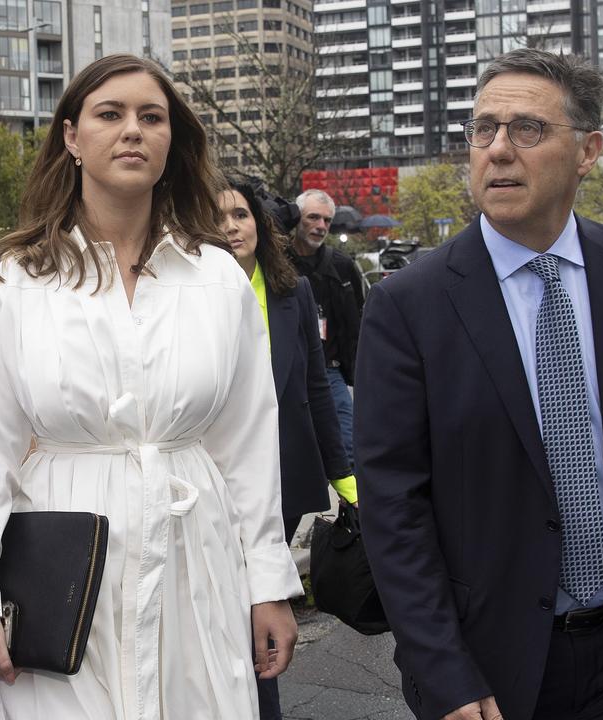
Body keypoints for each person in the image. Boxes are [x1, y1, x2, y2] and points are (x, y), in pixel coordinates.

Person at [0, 54, 302, 719]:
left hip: (194, 555)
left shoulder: (216, 279)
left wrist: (268, 584)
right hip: (65, 561)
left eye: (151, 117)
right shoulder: (16, 279)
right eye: (110, 114)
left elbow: (249, 446)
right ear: (72, 138)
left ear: (174, 141)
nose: (132, 130)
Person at [352, 48, 603, 720]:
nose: (499, 150)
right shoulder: (409, 304)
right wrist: (443, 669)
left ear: (588, 150)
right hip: (493, 668)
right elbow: (394, 509)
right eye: (484, 130)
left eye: (528, 130)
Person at [218, 182, 358, 720]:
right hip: (212, 479)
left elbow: (316, 386)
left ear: (259, 224)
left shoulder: (291, 291)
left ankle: (261, 704)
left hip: (283, 473)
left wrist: (343, 475)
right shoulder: (185, 292)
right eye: (218, 216)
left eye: (240, 214)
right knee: (229, 603)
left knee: (258, 599)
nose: (231, 226)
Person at [287, 189, 364, 466]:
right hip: (286, 372)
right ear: (297, 218)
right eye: (313, 218)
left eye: (327, 221)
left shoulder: (342, 266)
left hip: (329, 371)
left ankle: (352, 509)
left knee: (347, 452)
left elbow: (358, 317)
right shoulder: (277, 262)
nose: (321, 226)